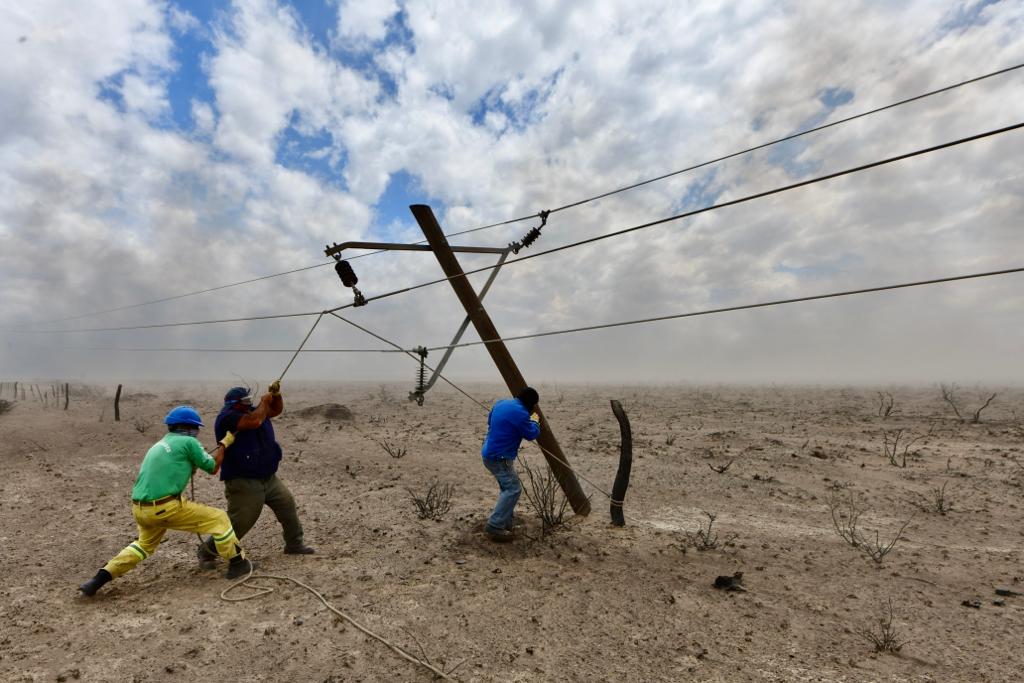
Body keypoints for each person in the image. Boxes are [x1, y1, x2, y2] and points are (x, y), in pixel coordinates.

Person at [78, 406, 254, 597]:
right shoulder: (189, 441)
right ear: (188, 427)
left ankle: (98, 579)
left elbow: (171, 468)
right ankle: (238, 564)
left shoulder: (160, 444)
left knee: (142, 546)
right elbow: (212, 467)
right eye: (196, 428)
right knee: (219, 519)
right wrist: (224, 445)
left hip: (140, 509)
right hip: (165, 507)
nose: (197, 432)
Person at [196, 381, 313, 567]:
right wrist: (264, 402)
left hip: (268, 476)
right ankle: (207, 551)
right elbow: (255, 421)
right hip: (243, 480)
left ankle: (294, 543)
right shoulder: (228, 417)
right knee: (241, 521)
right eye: (245, 400)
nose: (249, 402)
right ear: (235, 403)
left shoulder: (254, 410)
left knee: (287, 505)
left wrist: (276, 396)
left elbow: (275, 411)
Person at [480, 387, 541, 542]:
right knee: (513, 489)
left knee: (506, 488)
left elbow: (490, 421)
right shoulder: (521, 413)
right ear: (530, 404)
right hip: (500, 458)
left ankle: (506, 523)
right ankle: (495, 526)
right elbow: (531, 434)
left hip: (488, 453)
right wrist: (535, 420)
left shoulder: (501, 403)